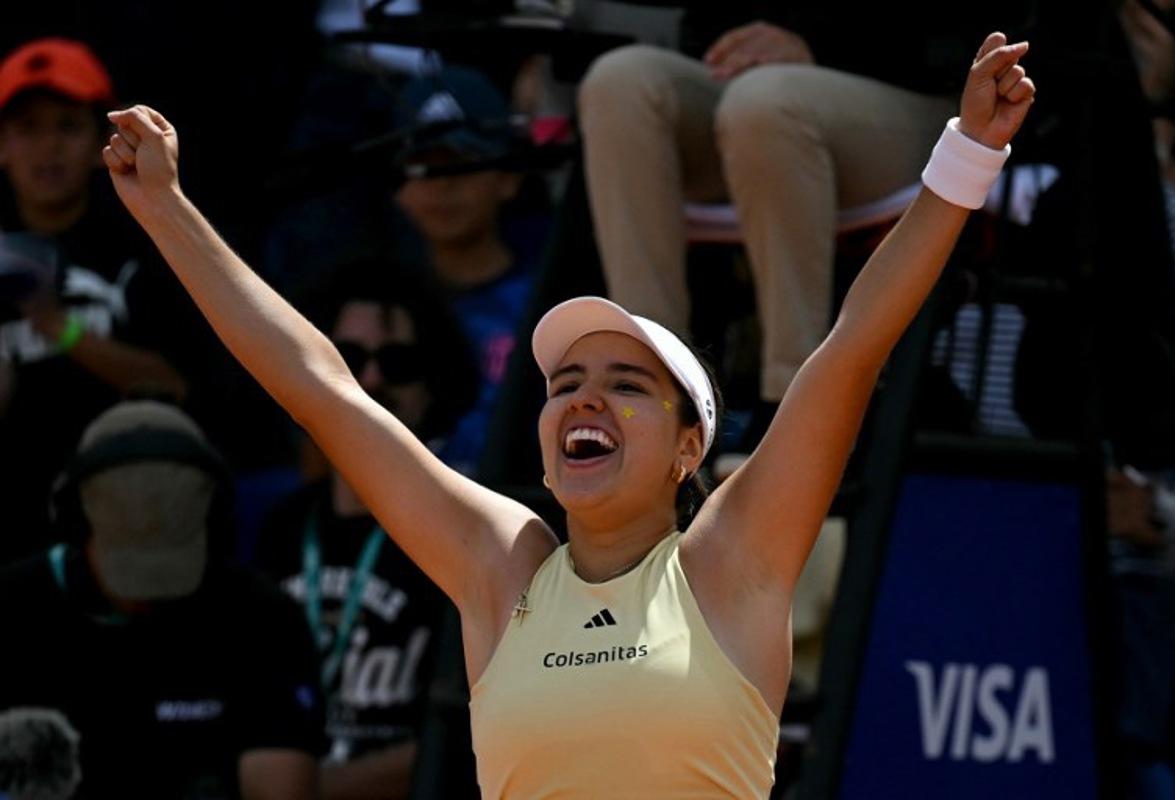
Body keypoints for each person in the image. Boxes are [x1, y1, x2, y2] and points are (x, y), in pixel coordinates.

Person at [101, 31, 1033, 797]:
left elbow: (851, 349)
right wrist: (167, 211)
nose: (583, 396)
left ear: (688, 448)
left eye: (628, 384)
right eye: (563, 383)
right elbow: (322, 389)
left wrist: (968, 154)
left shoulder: (730, 561)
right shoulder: (500, 566)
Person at [577, 4, 1026, 470]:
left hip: (919, 91)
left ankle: (796, 404)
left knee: (766, 103)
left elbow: (963, 32)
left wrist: (817, 47)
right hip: (750, 97)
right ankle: (655, 387)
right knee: (620, 82)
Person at [0, 399, 326, 798]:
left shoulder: (264, 620)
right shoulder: (14, 606)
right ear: (75, 519)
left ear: (215, 522)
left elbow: (279, 785)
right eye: (129, 563)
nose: (147, 594)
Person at [254, 261, 476, 798]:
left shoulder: (466, 529)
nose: (370, 380)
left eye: (398, 364)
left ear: (434, 383)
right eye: (346, 360)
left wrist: (318, 789)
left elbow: (471, 728)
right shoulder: (281, 528)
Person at [0, 38, 192, 562]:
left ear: (98, 144)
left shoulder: (143, 246)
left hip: (129, 514)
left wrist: (57, 326)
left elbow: (173, 386)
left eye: (67, 126)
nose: (47, 147)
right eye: (26, 128)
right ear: (2, 147)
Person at [391, 65, 543, 474]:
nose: (442, 186)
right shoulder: (379, 305)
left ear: (508, 178)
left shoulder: (549, 302)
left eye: (462, 163)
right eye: (423, 165)